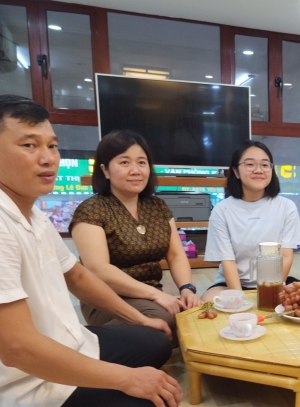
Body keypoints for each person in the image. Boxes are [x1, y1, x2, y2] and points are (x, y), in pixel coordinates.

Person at [0, 95, 182, 407]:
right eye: (29, 145)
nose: (48, 158)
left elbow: (77, 276)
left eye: (52, 145)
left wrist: (139, 318)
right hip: (11, 394)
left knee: (155, 339)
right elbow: (17, 348)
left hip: (65, 343)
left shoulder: (30, 212)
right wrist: (128, 379)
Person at [70, 130, 202, 340]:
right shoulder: (91, 210)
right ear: (105, 170)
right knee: (165, 318)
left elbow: (176, 255)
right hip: (108, 299)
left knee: (196, 315)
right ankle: (92, 344)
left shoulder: (157, 206)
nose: (135, 170)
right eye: (124, 162)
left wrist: (187, 289)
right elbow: (98, 270)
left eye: (142, 162)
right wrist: (157, 295)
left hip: (151, 296)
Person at [201, 140, 300, 302]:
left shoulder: (286, 207)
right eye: (250, 164)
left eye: (265, 165)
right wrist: (238, 298)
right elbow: (227, 260)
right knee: (208, 301)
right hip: (233, 283)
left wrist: (271, 292)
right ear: (236, 171)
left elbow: (285, 256)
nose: (259, 170)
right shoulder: (222, 210)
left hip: (274, 282)